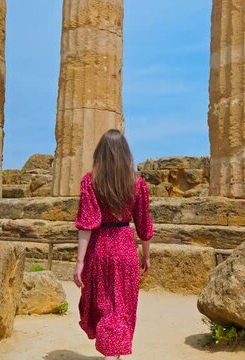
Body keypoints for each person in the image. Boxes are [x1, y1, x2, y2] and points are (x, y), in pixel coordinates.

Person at [73, 129, 154, 359]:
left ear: (101, 153)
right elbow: (144, 225)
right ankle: (113, 354)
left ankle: (111, 354)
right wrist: (146, 256)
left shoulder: (90, 182)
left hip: (99, 249)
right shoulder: (137, 184)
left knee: (105, 306)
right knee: (121, 308)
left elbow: (87, 224)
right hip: (126, 248)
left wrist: (79, 262)